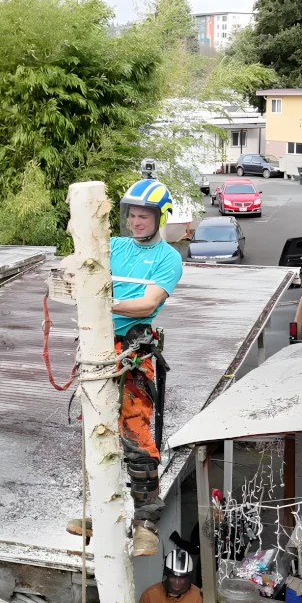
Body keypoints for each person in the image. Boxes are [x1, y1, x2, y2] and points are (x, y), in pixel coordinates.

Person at [67, 178, 183, 557]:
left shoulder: (168, 258)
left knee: (135, 433)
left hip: (133, 350)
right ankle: (102, 508)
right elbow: (80, 261)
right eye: (132, 215)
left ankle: (146, 521)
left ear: (158, 218)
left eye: (143, 216)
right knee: (98, 430)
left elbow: (148, 304)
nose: (136, 222)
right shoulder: (113, 247)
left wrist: (101, 300)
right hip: (96, 346)